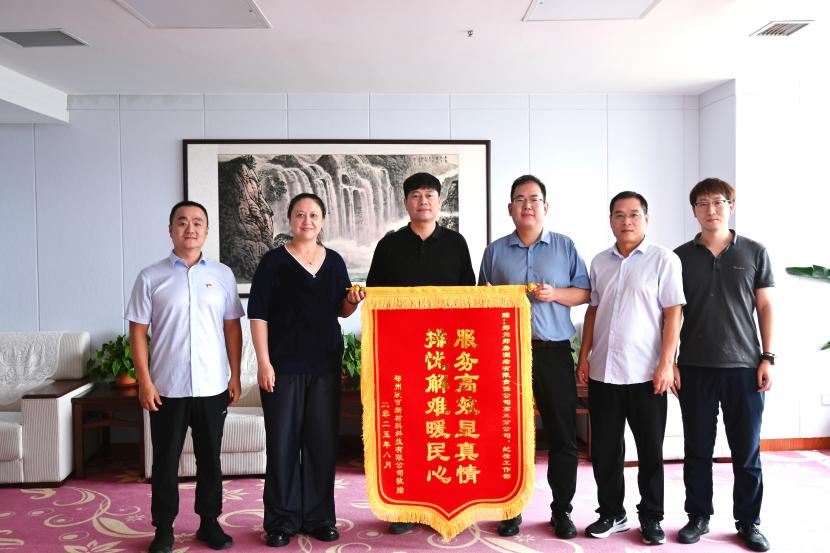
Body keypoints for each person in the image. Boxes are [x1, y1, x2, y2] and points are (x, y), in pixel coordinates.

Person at [126, 200, 244, 553]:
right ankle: (164, 528)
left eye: (197, 222)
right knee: (165, 461)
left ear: (207, 230)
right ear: (170, 229)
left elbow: (232, 328)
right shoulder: (150, 276)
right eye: (182, 222)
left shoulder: (222, 275)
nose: (189, 228)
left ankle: (209, 522)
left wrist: (235, 375)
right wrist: (145, 381)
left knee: (210, 459)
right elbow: (137, 332)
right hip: (167, 387)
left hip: (212, 385)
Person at [247, 193, 364, 548]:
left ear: (322, 220)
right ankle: (281, 521)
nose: (307, 221)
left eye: (313, 215)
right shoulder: (273, 261)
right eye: (300, 214)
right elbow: (258, 314)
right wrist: (264, 362)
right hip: (282, 368)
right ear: (290, 219)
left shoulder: (335, 261)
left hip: (325, 366)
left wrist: (351, 301)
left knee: (321, 445)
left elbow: (341, 309)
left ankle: (319, 518)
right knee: (282, 445)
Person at [478, 174, 589, 539]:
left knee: (562, 435)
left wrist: (555, 294)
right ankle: (510, 509)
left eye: (534, 199)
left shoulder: (564, 246)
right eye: (520, 199)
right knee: (507, 433)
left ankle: (562, 511)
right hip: (506, 354)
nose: (527, 205)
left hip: (553, 352)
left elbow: (585, 293)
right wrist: (490, 297)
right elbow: (481, 300)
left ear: (545, 206)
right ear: (510, 208)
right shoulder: (495, 251)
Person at [366, 171, 476, 534]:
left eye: (430, 195)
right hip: (403, 354)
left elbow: (469, 297)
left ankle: (446, 502)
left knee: (445, 430)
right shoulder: (389, 245)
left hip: (446, 356)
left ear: (439, 201)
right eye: (416, 195)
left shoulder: (456, 244)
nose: (423, 201)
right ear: (406, 203)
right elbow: (374, 298)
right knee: (409, 429)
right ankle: (407, 509)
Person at [576, 191, 685, 546]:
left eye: (634, 214)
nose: (626, 221)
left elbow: (673, 313)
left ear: (646, 219)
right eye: (619, 215)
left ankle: (651, 517)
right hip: (604, 371)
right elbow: (593, 309)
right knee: (606, 450)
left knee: (650, 451)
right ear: (610, 220)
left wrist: (666, 363)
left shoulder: (663, 260)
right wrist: (584, 355)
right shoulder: (599, 262)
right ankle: (612, 513)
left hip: (646, 374)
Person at [673, 178, 773, 552]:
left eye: (718, 202)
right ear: (694, 211)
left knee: (746, 451)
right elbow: (673, 313)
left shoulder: (755, 252)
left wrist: (768, 357)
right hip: (694, 367)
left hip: (745, 367)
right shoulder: (680, 257)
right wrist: (671, 362)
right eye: (703, 204)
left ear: (731, 206)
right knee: (697, 449)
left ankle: (748, 521)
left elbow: (765, 306)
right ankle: (698, 516)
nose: (711, 210)